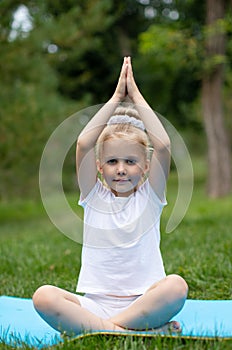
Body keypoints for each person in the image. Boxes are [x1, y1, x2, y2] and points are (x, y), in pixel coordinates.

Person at [33, 56, 188, 336]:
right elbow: (84, 142)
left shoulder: (150, 198)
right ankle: (135, 331)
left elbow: (163, 144)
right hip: (94, 306)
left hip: (144, 303)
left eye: (130, 162)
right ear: (99, 166)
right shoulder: (93, 196)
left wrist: (136, 95)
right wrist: (117, 97)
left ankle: (103, 330)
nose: (121, 169)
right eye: (113, 161)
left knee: (177, 286)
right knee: (43, 296)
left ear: (145, 167)